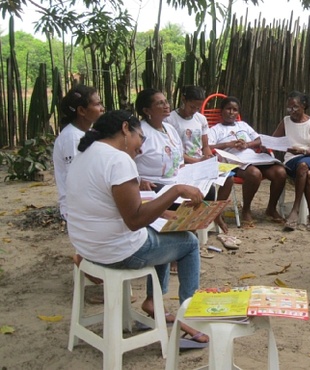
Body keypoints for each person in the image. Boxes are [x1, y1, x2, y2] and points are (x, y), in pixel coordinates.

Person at [65, 110, 208, 347]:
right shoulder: (119, 160)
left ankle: (153, 301)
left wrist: (161, 211)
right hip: (117, 252)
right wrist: (176, 191)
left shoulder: (85, 155)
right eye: (140, 138)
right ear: (125, 129)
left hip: (88, 248)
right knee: (189, 243)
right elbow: (134, 220)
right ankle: (189, 315)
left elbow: (112, 204)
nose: (140, 147)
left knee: (165, 233)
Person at [134, 88, 230, 233]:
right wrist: (139, 181)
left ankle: (193, 230)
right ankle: (185, 233)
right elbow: (126, 161)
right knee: (187, 196)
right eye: (160, 103)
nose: (166, 105)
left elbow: (179, 157)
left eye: (166, 101)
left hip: (176, 179)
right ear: (147, 110)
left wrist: (191, 170)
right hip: (154, 184)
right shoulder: (140, 133)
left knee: (208, 189)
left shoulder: (169, 129)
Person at [208, 96, 287, 227]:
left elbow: (259, 139)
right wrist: (229, 144)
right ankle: (246, 210)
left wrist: (247, 144)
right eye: (228, 109)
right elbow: (208, 147)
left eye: (235, 110)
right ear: (221, 111)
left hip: (253, 158)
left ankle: (271, 209)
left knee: (280, 172)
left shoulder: (243, 125)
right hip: (234, 162)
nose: (232, 112)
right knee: (254, 174)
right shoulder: (216, 129)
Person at [271, 91, 310, 232]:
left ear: (304, 106)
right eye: (289, 108)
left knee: (304, 166)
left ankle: (295, 210)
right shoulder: (286, 121)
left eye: (295, 107)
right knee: (308, 174)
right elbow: (274, 140)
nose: (291, 111)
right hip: (291, 159)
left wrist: (302, 151)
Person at [53, 85, 104, 220]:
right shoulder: (72, 137)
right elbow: (77, 177)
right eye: (97, 104)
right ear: (82, 110)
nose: (102, 108)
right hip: (78, 207)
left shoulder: (85, 133)